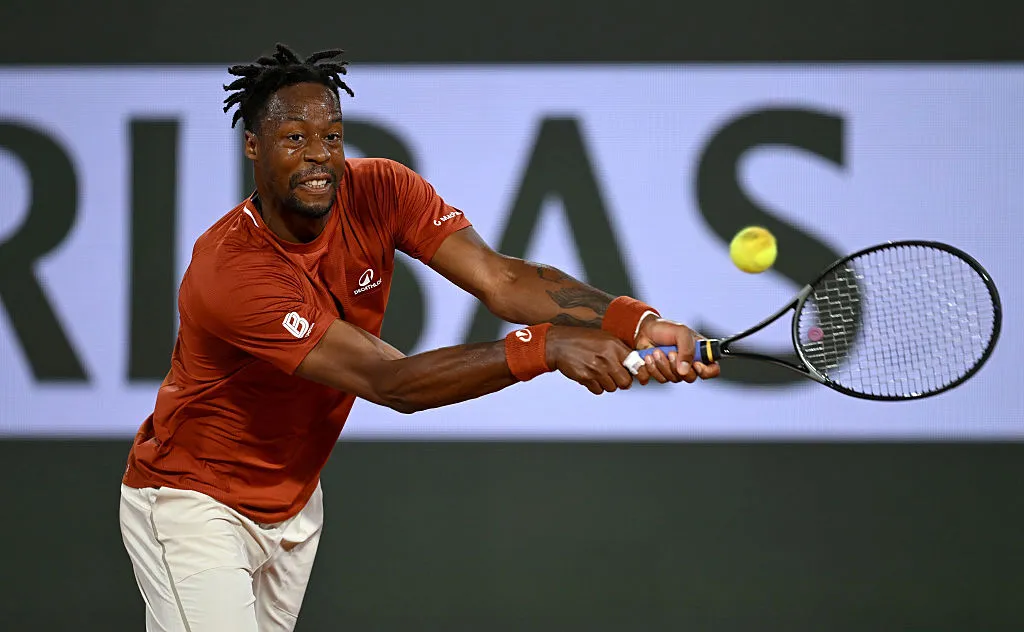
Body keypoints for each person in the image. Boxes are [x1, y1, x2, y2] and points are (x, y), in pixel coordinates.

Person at [118, 43, 720, 632]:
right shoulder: (233, 269)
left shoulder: (382, 188)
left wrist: (637, 323)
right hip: (194, 502)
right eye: (294, 138)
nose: (319, 156)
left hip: (294, 504)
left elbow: (501, 279)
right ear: (253, 145)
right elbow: (391, 382)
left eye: (332, 136)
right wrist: (547, 347)